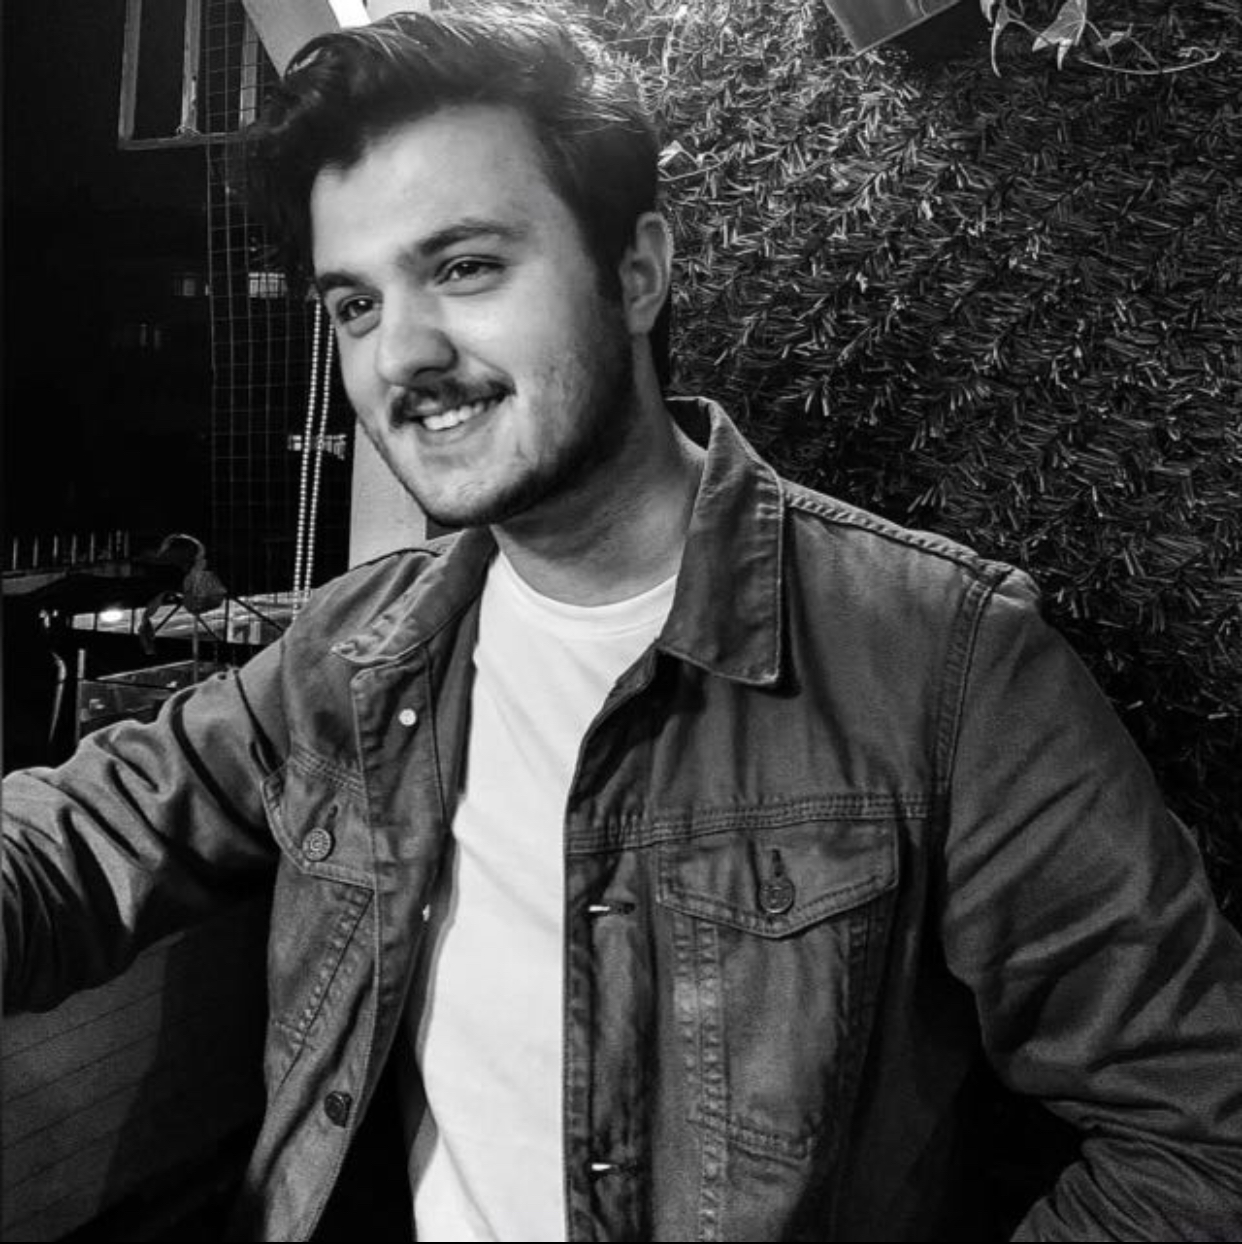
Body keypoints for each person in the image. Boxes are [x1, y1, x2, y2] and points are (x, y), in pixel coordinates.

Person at [5, 5, 1242, 1241]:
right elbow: (81, 835)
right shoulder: (355, 649)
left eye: (465, 266)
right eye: (355, 306)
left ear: (637, 271)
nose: (403, 355)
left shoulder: (946, 661)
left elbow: (1203, 1133)